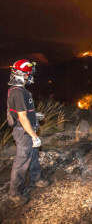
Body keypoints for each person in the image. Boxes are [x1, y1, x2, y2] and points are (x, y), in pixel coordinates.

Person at [7, 59, 49, 205]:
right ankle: (15, 193)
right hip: (24, 133)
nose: (30, 76)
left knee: (33, 156)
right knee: (22, 161)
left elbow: (19, 112)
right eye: (29, 74)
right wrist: (34, 136)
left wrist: (35, 116)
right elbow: (22, 117)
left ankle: (36, 179)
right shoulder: (19, 92)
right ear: (23, 75)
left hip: (24, 129)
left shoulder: (16, 90)